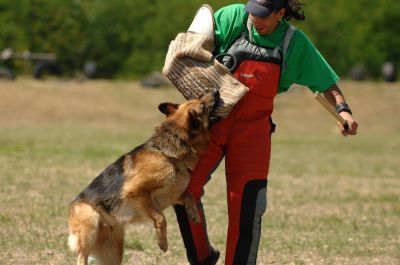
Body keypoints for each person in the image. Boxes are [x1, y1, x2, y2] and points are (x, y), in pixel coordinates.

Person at [173, 1, 359, 264]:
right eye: (252, 10)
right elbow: (193, 48)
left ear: (280, 13)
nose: (254, 18)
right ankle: (203, 257)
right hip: (210, 127)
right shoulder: (231, 18)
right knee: (183, 190)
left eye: (262, 15)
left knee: (246, 207)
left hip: (252, 133)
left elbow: (326, 82)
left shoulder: (294, 43)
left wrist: (344, 111)